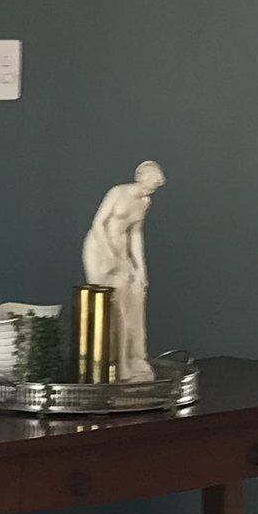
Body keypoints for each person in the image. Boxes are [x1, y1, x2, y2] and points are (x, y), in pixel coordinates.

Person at [81, 160, 164, 381]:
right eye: (152, 183)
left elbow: (135, 234)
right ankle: (115, 363)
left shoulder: (145, 202)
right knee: (114, 307)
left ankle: (135, 357)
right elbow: (98, 224)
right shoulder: (117, 192)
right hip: (99, 251)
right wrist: (111, 257)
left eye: (156, 186)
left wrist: (140, 268)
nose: (153, 188)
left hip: (121, 255)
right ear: (140, 176)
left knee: (136, 298)